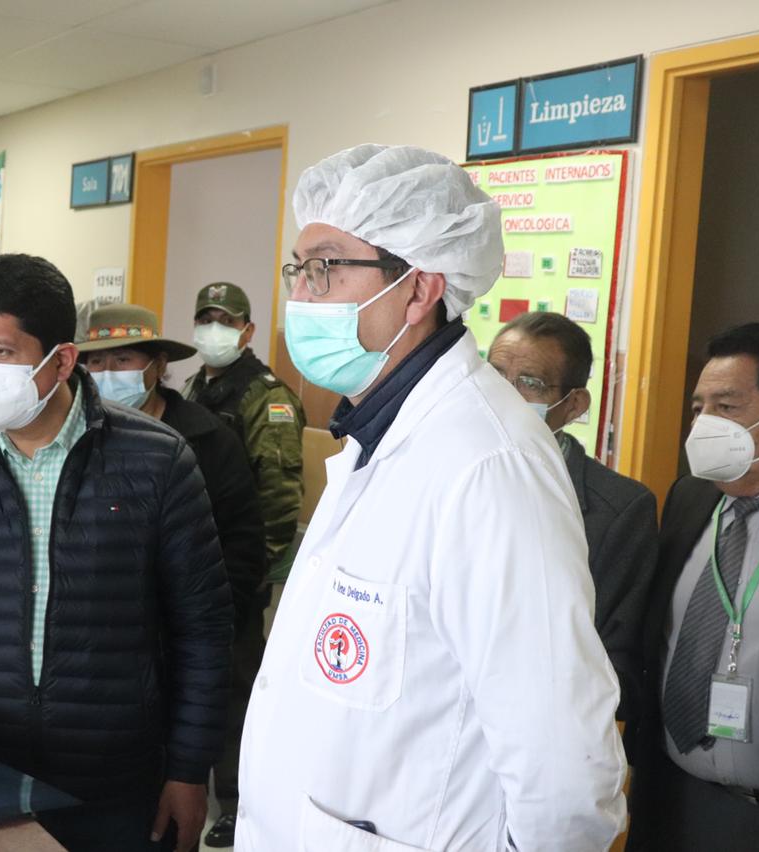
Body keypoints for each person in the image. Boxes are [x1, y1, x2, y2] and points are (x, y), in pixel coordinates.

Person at [236, 145, 626, 851]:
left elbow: (566, 769)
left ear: (417, 290)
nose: (300, 294)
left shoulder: (490, 464)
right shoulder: (376, 433)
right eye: (297, 268)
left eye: (325, 267)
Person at [0, 255, 232, 852]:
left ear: (61, 360)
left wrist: (189, 770)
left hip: (113, 775)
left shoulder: (156, 460)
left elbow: (203, 629)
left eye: (0, 352)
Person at [78, 304, 267, 842]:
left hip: (195, 633)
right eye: (96, 361)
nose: (108, 371)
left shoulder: (209, 438)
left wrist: (199, 615)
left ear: (157, 364)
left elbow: (242, 543)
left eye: (124, 358)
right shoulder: (77, 436)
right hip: (109, 646)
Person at [627, 323, 759, 851]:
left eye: (726, 407)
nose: (704, 425)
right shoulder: (688, 498)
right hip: (669, 798)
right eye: (698, 407)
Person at [488, 311, 657, 726]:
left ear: (574, 404)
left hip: (540, 725)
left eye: (529, 383)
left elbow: (616, 659)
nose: (505, 397)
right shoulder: (441, 472)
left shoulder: (620, 509)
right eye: (493, 377)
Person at [182, 282, 305, 847]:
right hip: (193, 563)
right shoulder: (193, 387)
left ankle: (236, 800)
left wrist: (260, 572)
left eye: (225, 321)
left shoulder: (265, 396)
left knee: (237, 690)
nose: (214, 329)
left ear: (247, 331)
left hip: (238, 565)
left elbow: (279, 496)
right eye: (205, 318)